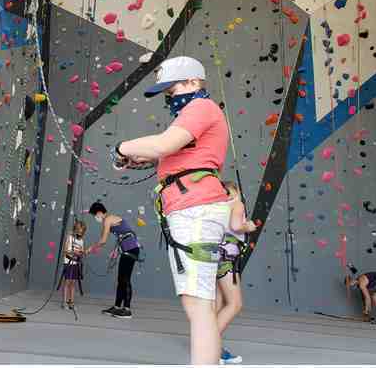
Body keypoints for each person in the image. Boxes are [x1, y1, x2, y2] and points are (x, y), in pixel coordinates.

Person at [114, 55, 230, 364]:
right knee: (199, 301)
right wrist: (146, 159)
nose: (170, 98)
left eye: (172, 89)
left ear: (194, 83)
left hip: (195, 210)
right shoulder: (198, 111)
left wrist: (124, 147)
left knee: (197, 303)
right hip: (193, 208)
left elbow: (165, 144)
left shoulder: (200, 108)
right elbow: (176, 154)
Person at [216, 182, 257, 365]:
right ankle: (208, 344)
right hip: (228, 256)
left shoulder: (216, 205)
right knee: (234, 303)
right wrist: (247, 227)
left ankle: (212, 347)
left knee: (217, 303)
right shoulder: (237, 204)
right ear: (237, 192)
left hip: (213, 255)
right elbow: (235, 226)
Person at [86, 202, 141, 318]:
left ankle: (127, 309)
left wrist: (91, 248)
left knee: (125, 279)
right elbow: (122, 234)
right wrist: (116, 250)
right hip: (128, 249)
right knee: (121, 279)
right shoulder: (111, 219)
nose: (96, 218)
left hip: (131, 250)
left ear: (99, 213)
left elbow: (103, 240)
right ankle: (116, 307)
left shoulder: (108, 220)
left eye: (95, 215)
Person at [59, 220, 87, 310]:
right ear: (75, 229)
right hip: (68, 262)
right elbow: (65, 250)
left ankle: (71, 302)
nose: (80, 232)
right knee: (67, 282)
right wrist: (73, 252)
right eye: (79, 229)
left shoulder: (81, 240)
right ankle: (64, 302)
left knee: (73, 283)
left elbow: (82, 252)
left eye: (82, 230)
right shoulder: (70, 237)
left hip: (76, 263)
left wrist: (81, 253)